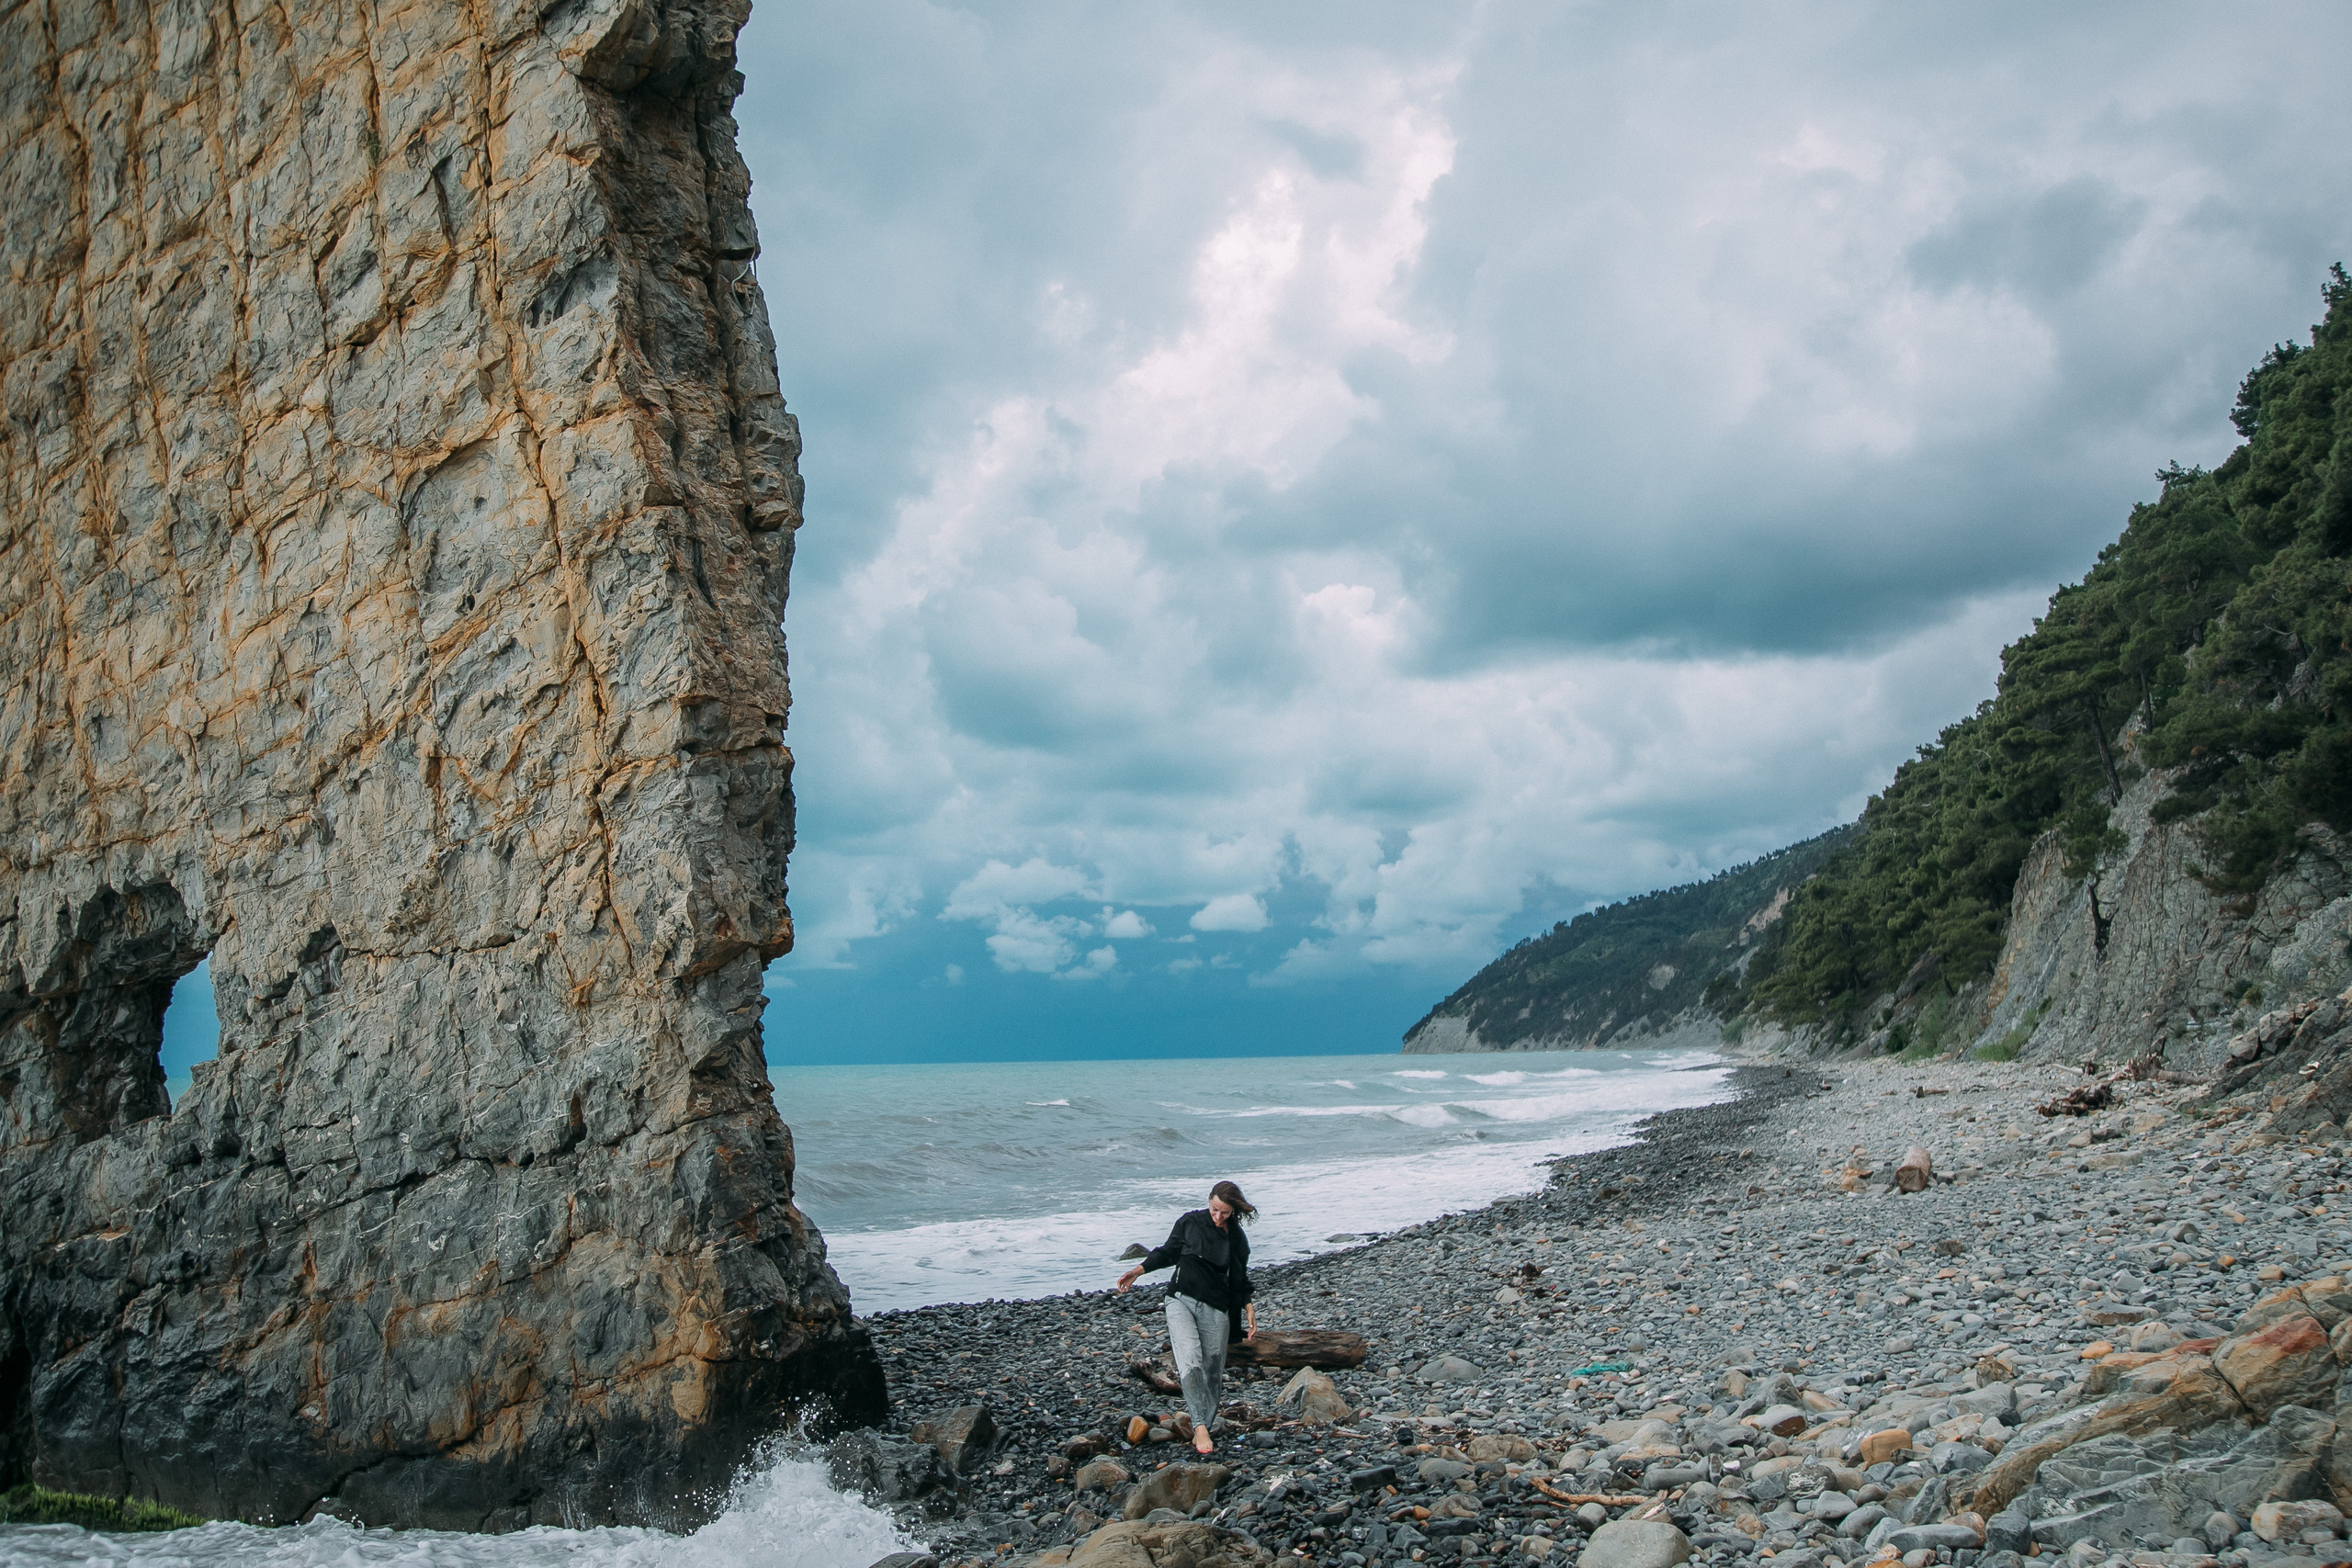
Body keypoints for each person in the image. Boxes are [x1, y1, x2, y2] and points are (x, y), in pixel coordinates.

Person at [1116, 1180, 1259, 1455]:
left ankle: (1204, 1422)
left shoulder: (1236, 1238)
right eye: (1215, 1209)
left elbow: (1240, 1277)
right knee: (1190, 1358)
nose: (1218, 1217)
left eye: (1225, 1213)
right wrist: (1137, 1271)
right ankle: (1199, 1427)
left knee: (1213, 1372)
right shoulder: (1190, 1223)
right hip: (1180, 1300)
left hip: (1217, 1307)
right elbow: (1168, 1252)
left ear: (1234, 1211)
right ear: (1209, 1201)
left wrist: (1249, 1308)